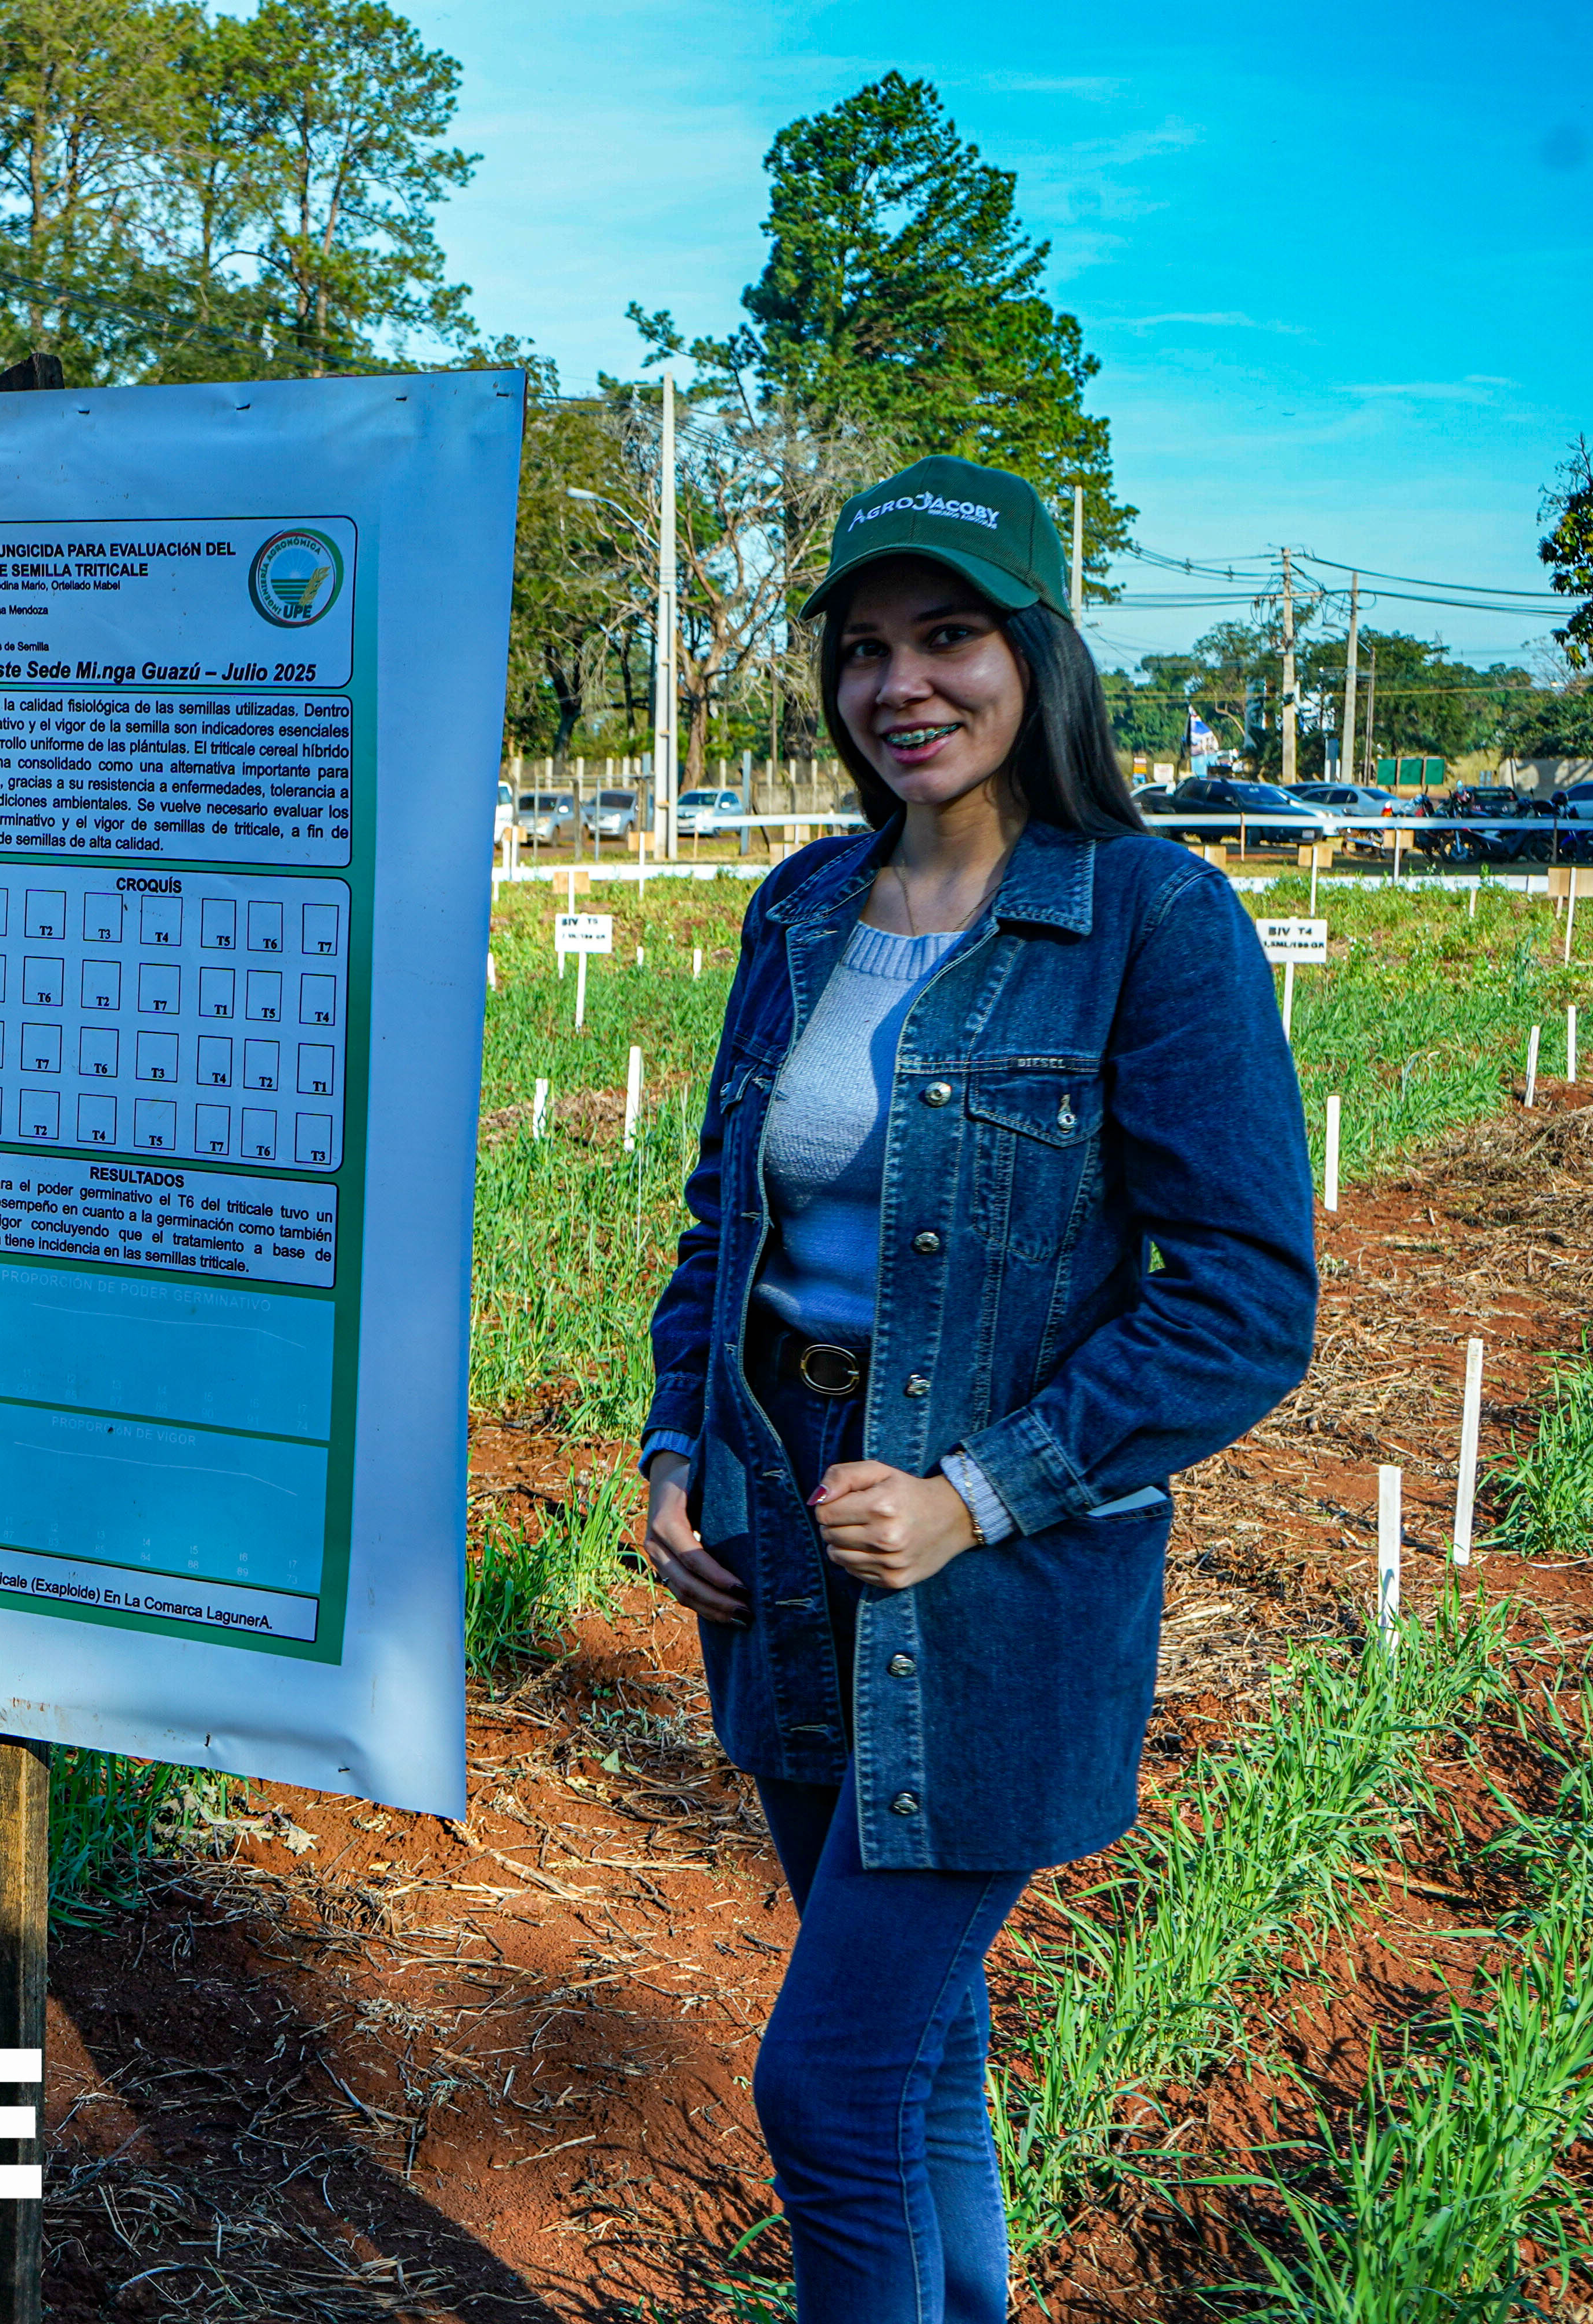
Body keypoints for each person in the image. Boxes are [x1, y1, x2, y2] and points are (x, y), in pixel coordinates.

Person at [635, 458, 1316, 2322]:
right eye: (865, 649)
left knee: (828, 2082)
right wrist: (678, 1445)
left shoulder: (1149, 923)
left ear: (1038, 654)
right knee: (918, 2059)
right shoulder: (802, 911)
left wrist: (978, 1490)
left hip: (996, 1578)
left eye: (951, 637)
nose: (902, 686)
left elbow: (1248, 1302)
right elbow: (725, 1223)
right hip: (782, 1533)